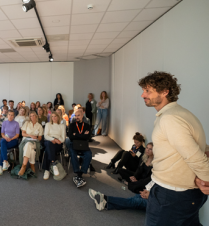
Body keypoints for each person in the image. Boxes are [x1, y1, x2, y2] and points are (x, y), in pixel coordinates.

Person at [138, 71, 209, 226]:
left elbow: (194, 155)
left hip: (172, 195)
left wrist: (207, 180)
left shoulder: (170, 118)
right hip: (180, 194)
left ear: (165, 91)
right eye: (143, 90)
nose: (143, 95)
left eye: (148, 91)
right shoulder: (178, 114)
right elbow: (203, 147)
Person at [88, 181, 153, 212]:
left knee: (135, 201)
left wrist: (150, 195)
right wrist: (146, 191)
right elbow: (151, 183)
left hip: (156, 202)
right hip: (150, 194)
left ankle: (105, 198)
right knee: (132, 200)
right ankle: (105, 205)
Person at [67, 110, 92, 188]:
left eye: (78, 115)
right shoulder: (72, 125)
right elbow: (70, 136)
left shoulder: (87, 125)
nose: (77, 117)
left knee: (89, 154)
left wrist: (76, 135)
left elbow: (88, 137)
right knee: (72, 153)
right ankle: (77, 171)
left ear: (82, 116)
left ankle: (81, 172)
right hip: (74, 144)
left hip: (84, 145)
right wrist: (82, 135)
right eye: (76, 115)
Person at [18, 111, 44, 176]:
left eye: (33, 115)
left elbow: (40, 138)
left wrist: (36, 138)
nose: (32, 117)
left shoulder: (39, 126)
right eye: (30, 116)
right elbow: (23, 133)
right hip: (25, 141)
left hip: (35, 142)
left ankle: (23, 166)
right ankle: (32, 165)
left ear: (36, 116)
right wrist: (30, 135)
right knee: (31, 151)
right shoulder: (27, 123)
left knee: (29, 145)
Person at [43, 112, 66, 180]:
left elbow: (63, 137)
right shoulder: (48, 124)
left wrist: (57, 141)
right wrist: (53, 139)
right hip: (49, 140)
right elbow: (46, 136)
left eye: (55, 116)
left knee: (48, 149)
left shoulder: (62, 126)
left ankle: (46, 170)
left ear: (58, 117)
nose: (54, 118)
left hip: (58, 143)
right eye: (52, 116)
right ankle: (53, 164)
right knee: (49, 144)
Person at [0, 110, 20, 175]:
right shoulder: (4, 123)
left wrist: (11, 139)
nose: (10, 116)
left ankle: (1, 166)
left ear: (14, 116)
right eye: (9, 114)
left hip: (13, 140)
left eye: (12, 115)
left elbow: (17, 135)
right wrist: (6, 138)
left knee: (2, 147)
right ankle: (5, 161)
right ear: (7, 115)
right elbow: (2, 134)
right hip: (6, 138)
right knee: (2, 141)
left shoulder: (16, 123)